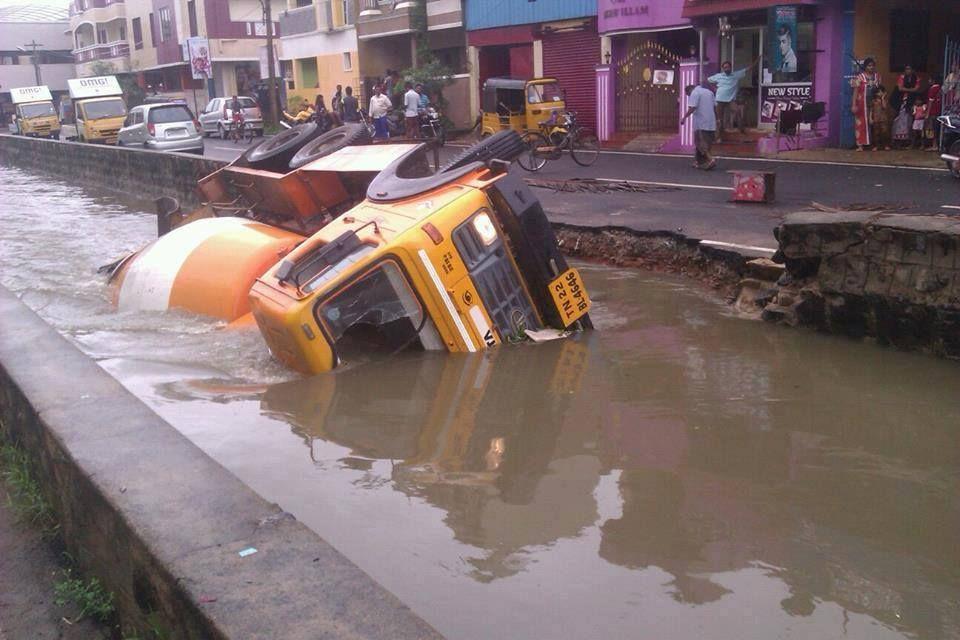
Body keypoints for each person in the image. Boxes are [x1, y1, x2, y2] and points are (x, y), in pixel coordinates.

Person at [708, 59, 758, 142]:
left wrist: (757, 61)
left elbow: (749, 68)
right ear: (723, 69)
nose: (726, 69)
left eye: (727, 67)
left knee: (738, 112)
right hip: (719, 99)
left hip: (730, 100)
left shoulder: (736, 75)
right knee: (719, 119)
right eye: (724, 67)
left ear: (731, 68)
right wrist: (714, 88)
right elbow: (708, 79)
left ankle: (742, 130)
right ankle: (718, 137)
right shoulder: (718, 76)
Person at [680, 83, 717, 170]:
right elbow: (715, 107)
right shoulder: (709, 92)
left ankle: (710, 159)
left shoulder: (695, 93)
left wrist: (684, 117)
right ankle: (698, 161)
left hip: (701, 122)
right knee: (705, 141)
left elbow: (692, 108)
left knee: (700, 142)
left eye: (688, 95)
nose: (689, 96)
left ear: (689, 90)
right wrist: (717, 119)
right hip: (711, 122)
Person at [851, 57, 879, 150]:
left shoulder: (877, 77)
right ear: (865, 66)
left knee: (874, 123)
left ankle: (873, 144)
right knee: (861, 124)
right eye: (869, 65)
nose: (871, 67)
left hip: (874, 103)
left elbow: (880, 90)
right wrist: (854, 104)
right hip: (861, 103)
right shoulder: (859, 77)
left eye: (872, 66)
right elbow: (855, 91)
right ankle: (860, 145)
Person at [869, 85, 891, 151]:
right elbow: (871, 110)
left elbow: (884, 107)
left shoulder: (885, 100)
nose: (880, 93)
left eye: (881, 92)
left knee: (885, 132)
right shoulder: (873, 101)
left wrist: (883, 98)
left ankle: (886, 145)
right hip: (876, 118)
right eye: (878, 92)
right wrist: (870, 118)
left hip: (883, 118)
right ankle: (876, 146)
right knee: (876, 133)